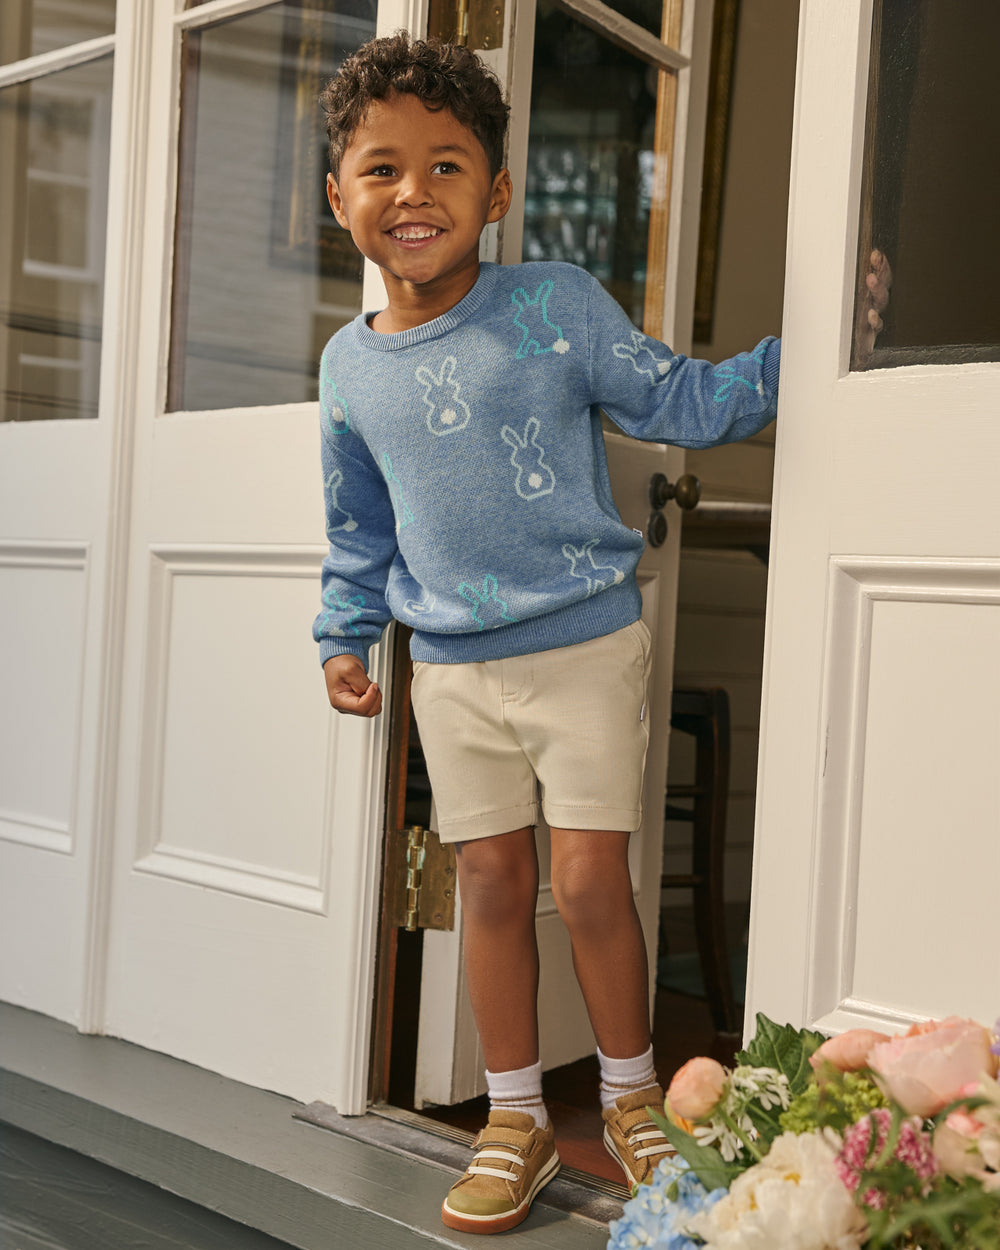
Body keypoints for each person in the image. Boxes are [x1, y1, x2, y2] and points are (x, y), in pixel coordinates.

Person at [313, 32, 887, 1235]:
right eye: (382, 169)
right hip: (451, 665)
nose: (413, 193)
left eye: (448, 166)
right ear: (340, 197)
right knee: (485, 876)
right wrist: (344, 634)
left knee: (582, 877)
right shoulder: (347, 369)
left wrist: (816, 347)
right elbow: (358, 524)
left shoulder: (554, 305)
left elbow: (682, 398)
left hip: (581, 642)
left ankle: (628, 1095)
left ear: (498, 191)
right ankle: (514, 1113)